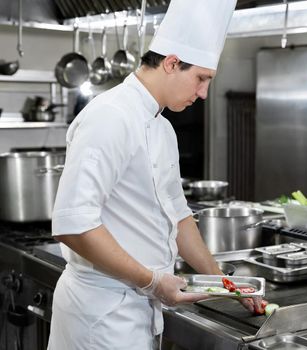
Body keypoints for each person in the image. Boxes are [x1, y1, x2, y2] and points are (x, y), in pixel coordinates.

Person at [47, 1, 243, 349]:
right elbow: (73, 224)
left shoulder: (163, 128)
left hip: (138, 314)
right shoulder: (110, 117)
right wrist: (153, 282)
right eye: (201, 79)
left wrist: (225, 284)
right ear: (171, 63)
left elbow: (180, 218)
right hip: (99, 318)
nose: (203, 93)